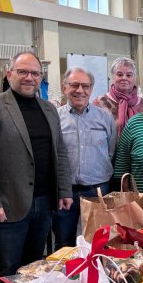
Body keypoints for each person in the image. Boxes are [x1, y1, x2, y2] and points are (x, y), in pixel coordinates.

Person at [0, 51, 73, 283]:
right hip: (7, 206)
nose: (29, 78)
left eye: (35, 73)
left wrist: (64, 189)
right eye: (23, 72)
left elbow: (60, 152)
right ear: (9, 74)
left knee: (32, 268)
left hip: (44, 203)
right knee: (5, 271)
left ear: (41, 78)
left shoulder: (49, 109)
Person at [52, 67, 116, 248]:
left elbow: (110, 151)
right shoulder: (55, 117)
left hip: (98, 191)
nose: (80, 90)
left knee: (98, 243)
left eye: (85, 86)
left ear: (91, 89)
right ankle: (67, 276)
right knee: (64, 244)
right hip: (65, 192)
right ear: (65, 88)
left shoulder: (105, 117)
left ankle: (97, 277)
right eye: (74, 85)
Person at [92, 56, 143, 145]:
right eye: (119, 74)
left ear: (134, 78)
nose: (124, 78)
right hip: (108, 156)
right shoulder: (99, 103)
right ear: (113, 77)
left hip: (139, 156)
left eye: (129, 75)